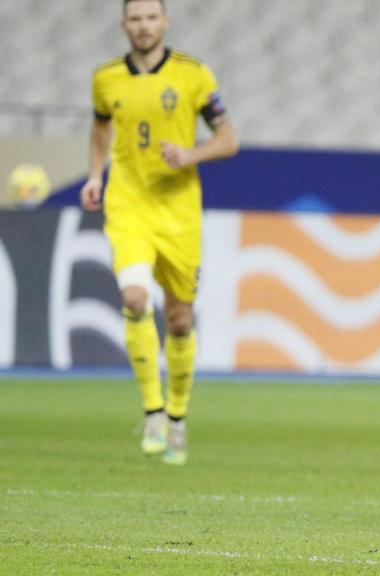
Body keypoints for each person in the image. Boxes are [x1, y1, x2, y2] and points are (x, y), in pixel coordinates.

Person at [80, 0, 239, 465]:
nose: (144, 26)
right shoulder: (106, 78)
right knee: (134, 298)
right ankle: (153, 411)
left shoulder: (193, 74)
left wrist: (190, 155)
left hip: (178, 212)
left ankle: (177, 417)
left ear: (164, 22)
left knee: (179, 320)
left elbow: (228, 139)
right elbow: (100, 130)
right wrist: (95, 175)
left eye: (152, 17)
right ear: (124, 25)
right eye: (136, 18)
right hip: (128, 204)